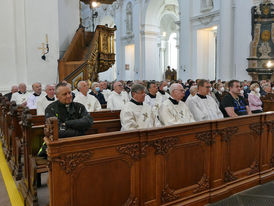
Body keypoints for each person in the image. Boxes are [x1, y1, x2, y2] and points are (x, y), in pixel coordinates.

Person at [38, 82, 93, 158]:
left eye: (69, 93)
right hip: (59, 148)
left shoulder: (79, 107)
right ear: (57, 96)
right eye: (64, 94)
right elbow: (57, 132)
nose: (69, 96)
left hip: (79, 145)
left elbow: (88, 122)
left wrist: (67, 123)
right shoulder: (51, 109)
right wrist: (80, 131)